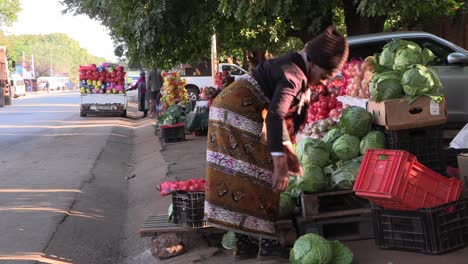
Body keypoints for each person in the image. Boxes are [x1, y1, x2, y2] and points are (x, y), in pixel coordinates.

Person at [204, 25, 348, 260]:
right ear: (313, 62)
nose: (320, 82)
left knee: (242, 175)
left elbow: (274, 113)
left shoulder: (294, 67)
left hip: (229, 108)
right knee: (264, 173)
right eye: (323, 75)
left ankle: (245, 244)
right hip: (239, 110)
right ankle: (269, 245)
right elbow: (274, 116)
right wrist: (279, 164)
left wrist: (288, 151)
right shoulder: (294, 76)